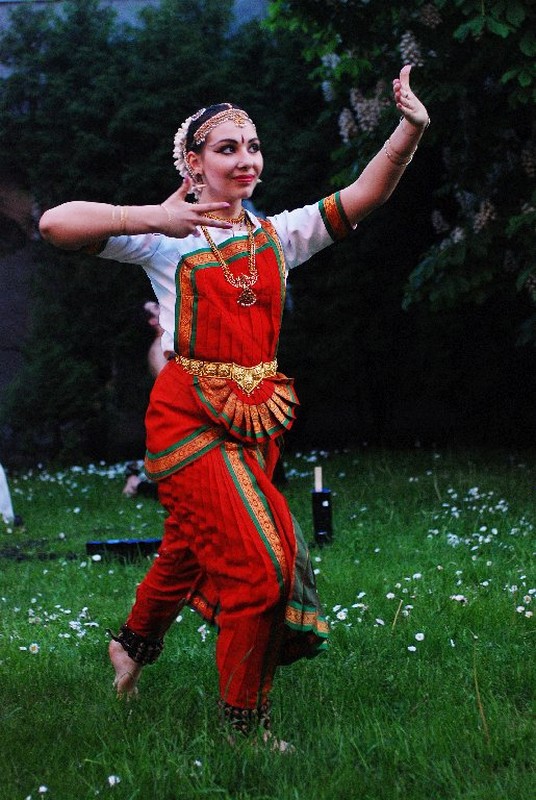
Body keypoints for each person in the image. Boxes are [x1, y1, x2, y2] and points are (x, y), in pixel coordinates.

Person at [39, 65, 429, 747]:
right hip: (187, 420)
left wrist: (410, 129)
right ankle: (244, 728)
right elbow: (54, 224)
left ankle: (130, 645)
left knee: (189, 546)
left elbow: (364, 196)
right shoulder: (165, 237)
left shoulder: (278, 234)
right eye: (227, 148)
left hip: (255, 421)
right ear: (194, 163)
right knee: (261, 565)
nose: (247, 159)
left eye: (252, 146)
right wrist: (152, 215)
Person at [122, 300, 166, 498]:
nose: (162, 305)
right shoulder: (158, 351)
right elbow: (169, 389)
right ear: (152, 321)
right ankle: (136, 484)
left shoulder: (175, 340)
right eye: (156, 307)